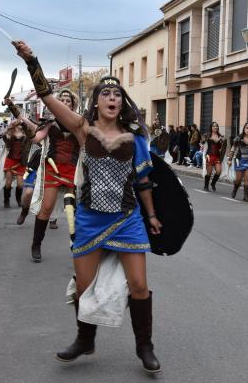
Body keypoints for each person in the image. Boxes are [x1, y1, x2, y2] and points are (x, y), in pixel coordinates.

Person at [14, 40, 162, 373]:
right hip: (90, 219)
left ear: (122, 103)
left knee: (138, 285)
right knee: (83, 286)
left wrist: (151, 215)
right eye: (106, 94)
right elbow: (48, 99)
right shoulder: (82, 130)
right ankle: (85, 339)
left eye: (118, 95)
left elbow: (143, 182)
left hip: (127, 218)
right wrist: (32, 60)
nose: (113, 98)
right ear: (95, 102)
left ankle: (144, 346)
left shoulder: (136, 137)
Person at [28, 89, 82, 261]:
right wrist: (28, 131)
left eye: (68, 100)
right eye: (62, 100)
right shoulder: (50, 122)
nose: (65, 102)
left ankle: (80, 247)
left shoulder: (79, 122)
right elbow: (37, 138)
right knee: (47, 208)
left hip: (73, 171)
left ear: (73, 104)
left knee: (75, 211)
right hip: (53, 168)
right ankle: (36, 244)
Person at [2, 97, 51, 211]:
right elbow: (5, 139)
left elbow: (37, 139)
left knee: (20, 184)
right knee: (8, 182)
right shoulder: (11, 131)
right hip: (11, 159)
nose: (19, 124)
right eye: (18, 123)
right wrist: (8, 129)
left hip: (21, 161)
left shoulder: (27, 133)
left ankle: (18, 200)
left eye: (21, 123)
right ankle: (6, 200)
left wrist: (45, 149)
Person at [228, 123, 248, 201]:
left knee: (247, 178)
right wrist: (230, 159)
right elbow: (233, 148)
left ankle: (246, 196)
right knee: (238, 180)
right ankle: (235, 189)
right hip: (239, 160)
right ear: (244, 129)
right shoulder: (238, 138)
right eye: (246, 128)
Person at [201, 121, 227, 191]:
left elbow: (224, 146)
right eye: (214, 126)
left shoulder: (221, 136)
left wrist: (222, 145)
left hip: (217, 156)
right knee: (208, 173)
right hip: (209, 156)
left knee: (219, 171)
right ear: (211, 128)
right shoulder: (207, 135)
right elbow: (202, 143)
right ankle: (206, 186)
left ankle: (213, 183)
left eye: (216, 126)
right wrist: (203, 142)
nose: (215, 127)